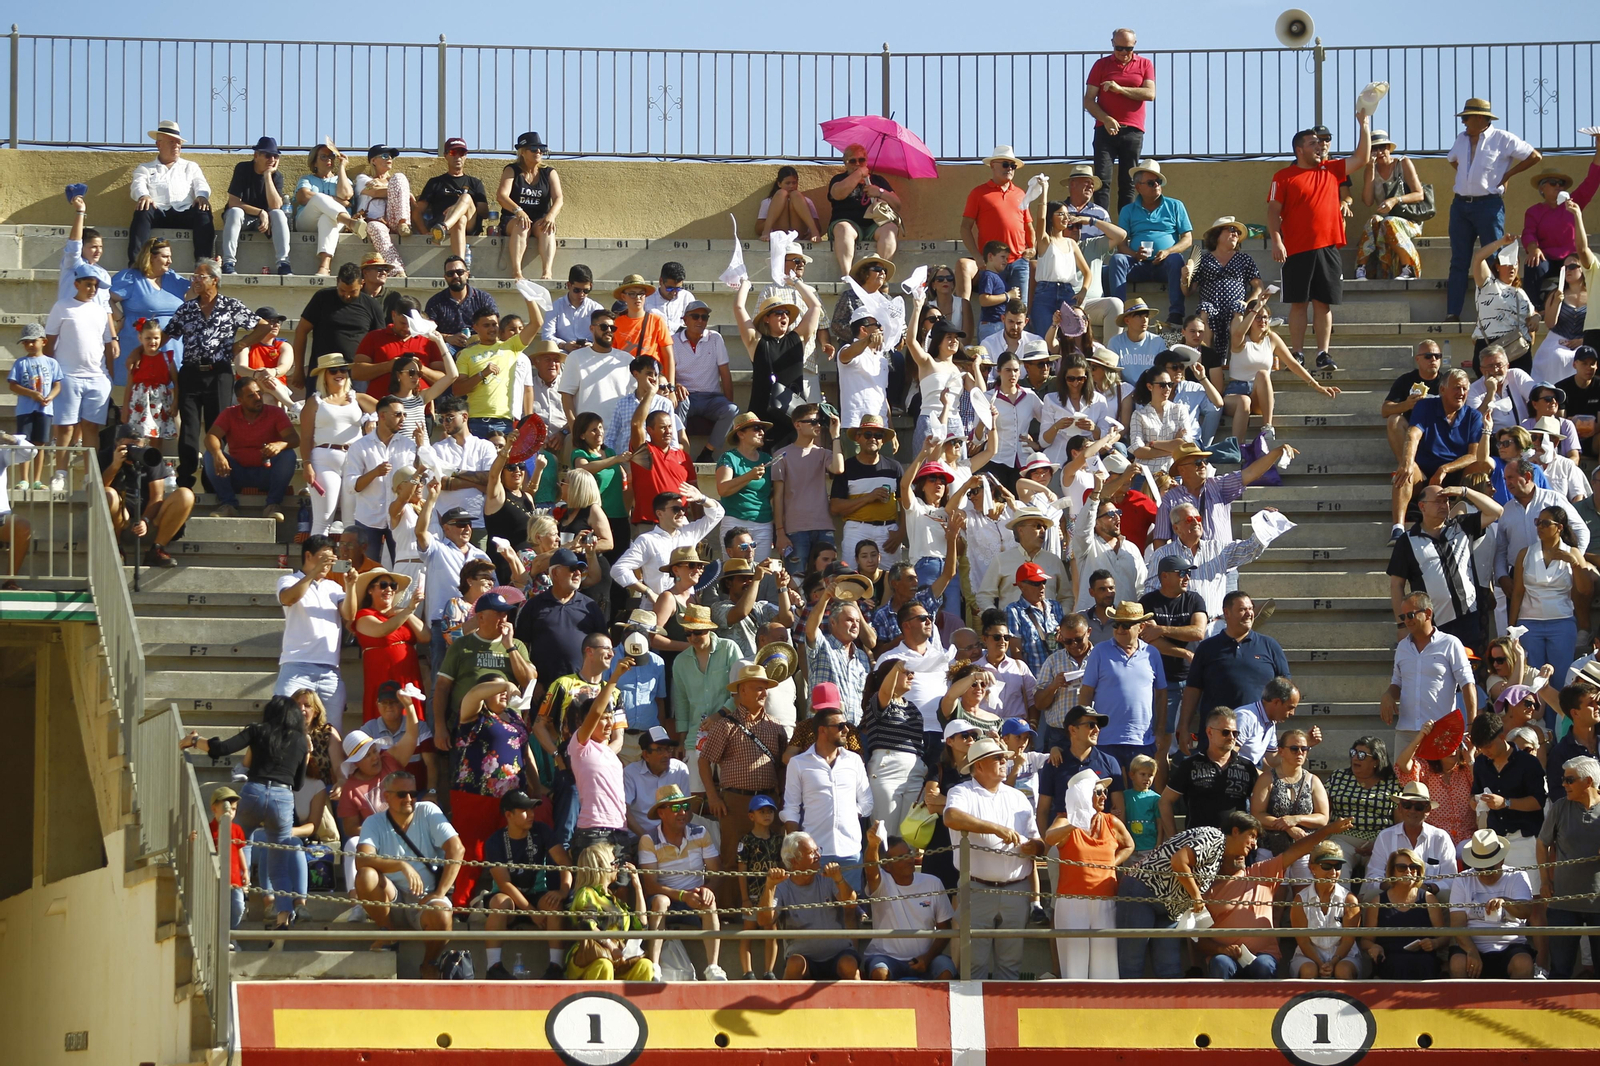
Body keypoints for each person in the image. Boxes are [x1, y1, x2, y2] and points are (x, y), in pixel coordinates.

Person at [179, 695, 308, 929]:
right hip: (282, 797)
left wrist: (195, 740)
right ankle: (283, 918)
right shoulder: (301, 740)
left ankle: (242, 891)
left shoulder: (258, 731)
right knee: (279, 866)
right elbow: (298, 783)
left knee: (240, 840)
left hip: (255, 791)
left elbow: (222, 748)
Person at [1268, 117, 1372, 371]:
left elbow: (1361, 158)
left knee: (1323, 304)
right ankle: (1297, 353)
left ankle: (1323, 354)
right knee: (1298, 303)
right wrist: (1277, 240)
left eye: (1321, 142)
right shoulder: (1283, 176)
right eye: (1313, 142)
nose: (1320, 146)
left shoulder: (1332, 170)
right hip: (1296, 248)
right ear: (1299, 149)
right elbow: (1273, 211)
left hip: (1327, 248)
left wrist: (1363, 125)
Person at [943, 736, 1045, 979]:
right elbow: (951, 817)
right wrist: (995, 828)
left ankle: (1005, 1014)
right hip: (977, 889)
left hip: (1016, 889)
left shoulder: (1017, 796)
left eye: (1004, 758)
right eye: (997, 758)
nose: (1004, 761)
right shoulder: (962, 792)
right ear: (978, 766)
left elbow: (1038, 839)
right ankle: (970, 1015)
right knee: (973, 965)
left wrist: (1036, 848)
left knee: (1011, 964)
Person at [351, 772, 463, 976]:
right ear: (387, 797)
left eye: (413, 793)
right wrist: (401, 865)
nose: (409, 799)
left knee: (442, 915)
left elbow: (457, 849)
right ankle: (389, 932)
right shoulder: (373, 822)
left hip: (426, 899)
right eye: (402, 794)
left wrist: (439, 893)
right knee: (366, 875)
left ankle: (429, 963)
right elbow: (362, 860)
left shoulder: (428, 811)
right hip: (391, 898)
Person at [1445, 98, 1542, 323]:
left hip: (1488, 205)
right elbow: (1453, 160)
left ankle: (1497, 311)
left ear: (1480, 117)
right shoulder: (1461, 139)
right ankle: (1453, 312)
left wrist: (1507, 175)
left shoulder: (1503, 139)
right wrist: (1468, 176)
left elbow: (1534, 156)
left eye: (1467, 118)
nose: (1464, 122)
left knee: (1495, 259)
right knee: (1459, 260)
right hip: (1460, 205)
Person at [700, 663, 789, 908]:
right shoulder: (725, 726)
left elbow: (782, 766)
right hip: (735, 802)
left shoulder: (776, 727)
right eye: (758, 688)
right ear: (741, 691)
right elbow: (704, 761)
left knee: (773, 854)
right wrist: (713, 797)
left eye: (765, 688)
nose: (763, 693)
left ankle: (773, 907)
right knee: (732, 855)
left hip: (769, 799)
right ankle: (731, 909)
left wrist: (782, 796)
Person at [1046, 767, 1135, 979]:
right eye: (1098, 792)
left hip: (1105, 899)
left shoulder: (1111, 821)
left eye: (1104, 792)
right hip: (1071, 901)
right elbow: (1050, 838)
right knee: (1074, 967)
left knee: (1106, 967)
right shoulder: (1065, 820)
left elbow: (1129, 845)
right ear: (1084, 794)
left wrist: (1112, 863)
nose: (1104, 796)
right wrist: (1075, 823)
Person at [479, 789, 571, 981]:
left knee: (554, 904)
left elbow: (565, 862)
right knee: (499, 903)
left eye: (532, 809)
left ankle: (556, 967)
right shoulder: (495, 841)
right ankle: (493, 967)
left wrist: (563, 890)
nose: (531, 814)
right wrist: (531, 911)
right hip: (509, 898)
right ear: (508, 815)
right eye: (524, 810)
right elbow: (504, 884)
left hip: (537, 893)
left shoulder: (542, 830)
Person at [1390, 368, 1489, 546]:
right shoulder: (1425, 406)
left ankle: (1476, 517)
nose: (1461, 393)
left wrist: (1445, 469)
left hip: (1456, 475)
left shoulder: (1473, 416)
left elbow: (1473, 455)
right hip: (1425, 474)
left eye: (1465, 389)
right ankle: (1398, 528)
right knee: (1406, 470)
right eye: (1456, 388)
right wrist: (1406, 462)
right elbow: (1413, 434)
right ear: (1442, 389)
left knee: (1484, 464)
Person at [1180, 593, 1290, 753]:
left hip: (1255, 739)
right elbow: (1193, 690)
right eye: (1242, 609)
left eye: (1251, 609)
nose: (1249, 613)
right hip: (1216, 737)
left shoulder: (1269, 646)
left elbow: (1285, 686)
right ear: (1226, 613)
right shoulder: (1207, 648)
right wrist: (1184, 728)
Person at [637, 784, 727, 980]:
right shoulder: (648, 840)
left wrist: (707, 890)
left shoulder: (701, 832)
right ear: (661, 813)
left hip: (695, 897)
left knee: (709, 901)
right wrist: (682, 896)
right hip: (667, 900)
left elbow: (717, 873)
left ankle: (713, 967)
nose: (683, 812)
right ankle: (654, 966)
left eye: (686, 806)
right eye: (676, 808)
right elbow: (650, 886)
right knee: (659, 901)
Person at [1222, 297, 1341, 443]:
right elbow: (1238, 334)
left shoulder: (1271, 338)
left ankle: (1267, 427)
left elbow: (1293, 364)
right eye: (1257, 317)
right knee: (1244, 401)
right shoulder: (1240, 340)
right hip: (1236, 393)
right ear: (1250, 318)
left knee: (1263, 374)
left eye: (1265, 317)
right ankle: (1237, 448)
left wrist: (1316, 385)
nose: (1262, 321)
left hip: (1259, 394)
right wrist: (1256, 307)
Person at [757, 831, 861, 980]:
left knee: (849, 965)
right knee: (794, 964)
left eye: (818, 850)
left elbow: (851, 904)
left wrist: (839, 879)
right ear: (794, 861)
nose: (818, 855)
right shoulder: (781, 886)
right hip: (803, 958)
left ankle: (861, 1004)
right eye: (812, 853)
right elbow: (764, 921)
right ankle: (783, 1003)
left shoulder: (827, 877)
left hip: (838, 954)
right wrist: (769, 887)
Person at [1383, 591, 1478, 752]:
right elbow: (1397, 683)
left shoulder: (1450, 643)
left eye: (1410, 615)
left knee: (1441, 778)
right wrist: (1388, 695)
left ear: (1427, 613)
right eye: (1403, 617)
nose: (1406, 620)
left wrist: (1472, 725)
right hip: (1406, 732)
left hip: (1440, 730)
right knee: (1405, 778)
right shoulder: (1402, 647)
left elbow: (1468, 684)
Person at [43, 265, 114, 480]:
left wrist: (108, 376)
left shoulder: (101, 312)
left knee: (91, 427)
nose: (92, 289)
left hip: (96, 377)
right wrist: (53, 375)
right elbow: (49, 343)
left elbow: (107, 345)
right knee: (65, 428)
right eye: (88, 285)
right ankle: (60, 474)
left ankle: (89, 476)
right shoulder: (62, 307)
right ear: (77, 284)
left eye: (95, 286)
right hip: (68, 376)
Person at [1511, 504, 1595, 684]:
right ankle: (1537, 713)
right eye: (1537, 522)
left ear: (1559, 527)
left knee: (1560, 678)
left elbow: (1585, 589)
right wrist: (1511, 628)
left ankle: (1556, 714)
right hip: (1529, 623)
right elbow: (1518, 592)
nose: (1539, 527)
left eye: (1545, 523)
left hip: (1562, 622)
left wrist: (1574, 563)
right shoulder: (1525, 553)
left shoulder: (1572, 552)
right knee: (1532, 679)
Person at [734, 280, 824, 448]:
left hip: (792, 413)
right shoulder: (757, 341)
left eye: (786, 313)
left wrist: (796, 283)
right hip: (763, 414)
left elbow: (815, 307)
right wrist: (745, 284)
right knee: (764, 465)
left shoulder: (798, 338)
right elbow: (739, 307)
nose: (784, 316)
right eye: (778, 313)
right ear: (766, 319)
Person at [860, 824, 956, 982]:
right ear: (886, 866)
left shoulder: (933, 882)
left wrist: (927, 958)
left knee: (946, 970)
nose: (910, 860)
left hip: (927, 959)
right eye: (902, 857)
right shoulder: (882, 882)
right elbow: (871, 869)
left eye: (909, 853)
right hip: (886, 958)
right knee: (880, 974)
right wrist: (873, 845)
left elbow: (944, 930)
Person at [1105, 161, 1191, 329]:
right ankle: (1120, 313)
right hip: (1138, 264)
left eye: (1159, 182)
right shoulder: (1128, 210)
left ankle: (1176, 315)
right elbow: (1120, 244)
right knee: (1118, 259)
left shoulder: (1175, 205)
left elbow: (1187, 239)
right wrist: (1134, 254)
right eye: (1151, 183)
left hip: (1166, 265)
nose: (1157, 185)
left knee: (1176, 259)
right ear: (1138, 187)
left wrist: (1167, 251)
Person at [1472, 710, 1549, 890]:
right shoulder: (1481, 764)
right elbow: (1474, 793)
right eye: (1481, 748)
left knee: (1533, 903)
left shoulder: (1529, 763)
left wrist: (1506, 803)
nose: (1485, 751)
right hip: (1495, 843)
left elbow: (1539, 801)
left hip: (1525, 840)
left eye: (1488, 746)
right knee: (1499, 902)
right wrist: (1475, 802)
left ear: (1502, 736)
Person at [1538, 755, 1600, 977]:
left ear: (1588, 781)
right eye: (1563, 779)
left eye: (1569, 779)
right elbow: (1542, 843)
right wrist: (1545, 880)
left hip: (1598, 904)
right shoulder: (1559, 807)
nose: (1563, 784)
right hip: (1563, 902)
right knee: (1561, 970)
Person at [610, 486, 725, 602]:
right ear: (660, 513)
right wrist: (648, 592)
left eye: (683, 509)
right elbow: (618, 569)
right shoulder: (647, 540)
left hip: (686, 605)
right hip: (656, 606)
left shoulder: (690, 532)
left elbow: (718, 513)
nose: (681, 513)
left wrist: (702, 498)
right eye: (675, 509)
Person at [1084, 29, 1156, 212]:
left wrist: (1120, 89)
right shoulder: (1101, 65)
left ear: (1135, 45)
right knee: (1102, 180)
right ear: (1112, 44)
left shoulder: (1145, 64)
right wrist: (1106, 119)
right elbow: (1088, 100)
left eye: (1128, 48)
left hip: (1133, 131)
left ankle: (1125, 229)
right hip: (1105, 130)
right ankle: (1100, 226)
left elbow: (1150, 93)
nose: (1124, 53)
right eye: (1119, 48)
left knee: (1129, 183)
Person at [1449, 828, 1537, 979]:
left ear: (1501, 861)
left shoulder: (1517, 876)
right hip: (1472, 945)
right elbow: (1457, 924)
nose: (1484, 871)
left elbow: (1526, 912)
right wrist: (1472, 951)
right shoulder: (1462, 879)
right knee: (1458, 963)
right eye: (1478, 866)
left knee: (1523, 963)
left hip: (1511, 946)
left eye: (1489, 866)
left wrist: (1506, 902)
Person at [343, 567, 427, 722]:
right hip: (382, 676)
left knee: (413, 725)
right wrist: (408, 610)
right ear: (370, 590)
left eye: (392, 586)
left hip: (408, 676)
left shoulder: (401, 614)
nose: (389, 589)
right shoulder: (364, 615)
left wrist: (404, 611)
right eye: (383, 585)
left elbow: (425, 636)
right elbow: (382, 630)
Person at [127, 120, 214, 266]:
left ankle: (203, 264)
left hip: (184, 211)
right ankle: (136, 264)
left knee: (203, 210)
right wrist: (144, 195)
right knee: (142, 209)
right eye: (171, 142)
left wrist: (201, 196)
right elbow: (137, 185)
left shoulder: (190, 166)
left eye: (178, 143)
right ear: (159, 144)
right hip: (157, 212)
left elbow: (201, 183)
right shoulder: (145, 168)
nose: (176, 146)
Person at [109, 238, 190, 390]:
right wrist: (119, 317)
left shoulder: (173, 278)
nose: (170, 261)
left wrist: (212, 269)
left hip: (172, 350)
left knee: (171, 401)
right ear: (151, 257)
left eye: (170, 256)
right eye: (165, 257)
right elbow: (104, 298)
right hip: (139, 349)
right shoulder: (131, 278)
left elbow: (196, 294)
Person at [1162, 706, 1259, 834]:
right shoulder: (1190, 765)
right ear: (1210, 732)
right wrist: (1174, 840)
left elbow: (1259, 807)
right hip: (1198, 845)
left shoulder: (1247, 767)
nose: (1231, 737)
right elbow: (1165, 801)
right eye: (1225, 732)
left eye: (1235, 733)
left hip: (1235, 845)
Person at [290, 262, 384, 390]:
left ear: (362, 283)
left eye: (353, 291)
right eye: (342, 290)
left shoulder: (372, 305)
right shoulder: (322, 298)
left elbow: (379, 341)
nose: (347, 295)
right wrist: (298, 370)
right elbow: (301, 331)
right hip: (323, 371)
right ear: (337, 281)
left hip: (357, 374)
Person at [1364, 781, 1460, 903]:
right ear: (1400, 808)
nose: (1412, 810)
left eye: (1419, 807)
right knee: (1371, 895)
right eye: (1407, 805)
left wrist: (1426, 888)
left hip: (1429, 895)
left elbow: (1451, 879)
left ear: (1428, 810)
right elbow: (1373, 876)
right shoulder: (1385, 836)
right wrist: (1397, 887)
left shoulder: (1441, 838)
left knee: (1447, 895)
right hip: (1392, 892)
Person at [1361, 847, 1449, 979]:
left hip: (1423, 959)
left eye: (1413, 867)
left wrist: (1434, 943)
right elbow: (1365, 940)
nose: (1408, 871)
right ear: (1392, 871)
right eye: (1402, 867)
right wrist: (1374, 947)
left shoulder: (1429, 898)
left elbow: (1443, 936)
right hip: (1390, 960)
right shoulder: (1378, 901)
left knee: (1426, 963)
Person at [962, 147, 1034, 303]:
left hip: (1019, 262)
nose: (1009, 169)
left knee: (1020, 310)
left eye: (1013, 166)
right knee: (994, 309)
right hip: (993, 263)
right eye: (1005, 164)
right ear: (993, 165)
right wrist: (977, 256)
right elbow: (965, 227)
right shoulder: (978, 193)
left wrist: (1032, 248)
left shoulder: (1021, 194)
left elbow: (1028, 225)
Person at [1183, 215, 1263, 351]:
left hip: (1235, 306)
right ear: (1217, 234)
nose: (1235, 234)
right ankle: (1206, 357)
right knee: (1205, 308)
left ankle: (1236, 355)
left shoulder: (1244, 259)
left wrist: (1248, 303)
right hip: (1210, 306)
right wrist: (1184, 279)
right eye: (1231, 229)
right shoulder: (1204, 259)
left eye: (1237, 232)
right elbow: (1188, 292)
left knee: (1238, 308)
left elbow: (1258, 287)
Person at [1356, 130, 1428, 280]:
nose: (1379, 152)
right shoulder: (1371, 170)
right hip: (1384, 221)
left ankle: (1408, 268)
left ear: (1389, 148)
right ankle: (1361, 269)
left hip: (1408, 219)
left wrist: (1395, 200)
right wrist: (1370, 169)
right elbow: (1368, 201)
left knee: (1390, 222)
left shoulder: (1402, 163)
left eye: (1383, 147)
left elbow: (1419, 194)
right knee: (1373, 221)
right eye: (1374, 149)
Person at [674, 300, 739, 458]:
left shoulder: (715, 338)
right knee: (679, 402)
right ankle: (677, 451)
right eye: (695, 316)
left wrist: (729, 401)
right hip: (687, 396)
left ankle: (707, 452)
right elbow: (666, 371)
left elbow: (725, 372)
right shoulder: (673, 340)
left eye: (705, 317)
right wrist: (675, 385)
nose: (700, 321)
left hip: (712, 398)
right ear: (685, 319)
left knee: (732, 410)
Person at [291, 141, 366, 276]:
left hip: (334, 222)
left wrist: (342, 167)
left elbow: (347, 194)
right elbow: (303, 197)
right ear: (314, 162)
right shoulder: (307, 179)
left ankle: (324, 267)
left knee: (327, 217)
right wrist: (338, 201)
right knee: (318, 198)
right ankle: (351, 223)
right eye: (323, 157)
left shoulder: (341, 179)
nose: (329, 159)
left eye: (331, 156)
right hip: (307, 221)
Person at [497, 131, 563, 281]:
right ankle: (517, 272)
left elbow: (559, 198)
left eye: (541, 149)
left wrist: (551, 215)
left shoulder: (549, 172)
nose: (538, 152)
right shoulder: (512, 170)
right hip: (514, 218)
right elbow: (502, 196)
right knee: (522, 225)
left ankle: (547, 272)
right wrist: (518, 211)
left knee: (547, 228)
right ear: (523, 152)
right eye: (534, 149)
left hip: (539, 218)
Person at [826, 144, 901, 277]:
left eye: (861, 160)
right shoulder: (839, 179)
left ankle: (880, 274)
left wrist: (879, 192)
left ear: (866, 161)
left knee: (890, 229)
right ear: (845, 163)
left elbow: (897, 204)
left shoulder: (877, 180)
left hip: (874, 224)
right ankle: (847, 276)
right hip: (848, 222)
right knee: (843, 228)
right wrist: (859, 173)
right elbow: (838, 194)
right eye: (852, 161)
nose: (857, 164)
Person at [221, 135, 290, 275]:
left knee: (278, 214)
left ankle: (283, 263)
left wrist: (267, 176)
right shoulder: (243, 168)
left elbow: (276, 205)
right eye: (267, 155)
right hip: (243, 218)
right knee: (235, 212)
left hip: (265, 223)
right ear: (256, 155)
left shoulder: (277, 176)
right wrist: (260, 212)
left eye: (275, 156)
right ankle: (228, 263)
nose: (272, 160)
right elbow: (233, 202)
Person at [1326, 735, 1398, 871]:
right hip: (1343, 838)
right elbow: (1324, 810)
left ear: (1376, 761)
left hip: (1379, 841)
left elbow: (1400, 820)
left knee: (1377, 880)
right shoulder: (1339, 777)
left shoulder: (1392, 782)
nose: (1355, 758)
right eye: (1353, 753)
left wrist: (1382, 844)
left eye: (1361, 755)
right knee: (1336, 872)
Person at [1470, 233, 1540, 371]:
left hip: (1518, 352)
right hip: (1489, 347)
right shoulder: (1487, 283)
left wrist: (1537, 317)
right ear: (1497, 266)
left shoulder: (1521, 292)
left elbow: (1532, 314)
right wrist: (1501, 242)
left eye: (1515, 263)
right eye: (1507, 263)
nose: (1512, 267)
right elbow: (1478, 257)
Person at [418, 138, 490, 261]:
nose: (457, 157)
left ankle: (444, 227)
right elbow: (418, 211)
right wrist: (424, 232)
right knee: (460, 219)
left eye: (461, 153)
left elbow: (484, 213)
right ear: (445, 155)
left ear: (466, 156)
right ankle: (461, 262)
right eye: (453, 153)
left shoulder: (474, 183)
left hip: (469, 224)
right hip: (449, 222)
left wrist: (457, 207)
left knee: (466, 197)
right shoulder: (435, 182)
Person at [7, 323, 59, 491]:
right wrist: (32, 394)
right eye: (26, 342)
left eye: (33, 341)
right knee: (24, 443)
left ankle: (36, 479)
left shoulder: (51, 363)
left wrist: (50, 396)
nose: (29, 345)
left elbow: (58, 384)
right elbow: (13, 386)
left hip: (45, 410)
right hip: (25, 409)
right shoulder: (20, 363)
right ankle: (24, 479)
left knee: (40, 444)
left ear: (43, 342)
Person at [1381, 341, 1446, 459]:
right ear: (1417, 359)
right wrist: (1407, 405)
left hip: (1440, 431)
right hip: (1412, 432)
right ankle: (1406, 467)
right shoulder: (1406, 380)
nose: (1433, 359)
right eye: (1428, 356)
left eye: (1437, 356)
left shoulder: (1447, 381)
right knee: (1393, 420)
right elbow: (1385, 410)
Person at [758, 165, 822, 242]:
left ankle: (814, 233)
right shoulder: (768, 202)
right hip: (779, 233)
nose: (791, 186)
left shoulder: (806, 201)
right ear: (779, 184)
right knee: (781, 193)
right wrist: (773, 218)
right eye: (787, 183)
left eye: (794, 183)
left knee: (796, 195)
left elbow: (818, 226)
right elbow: (758, 229)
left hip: (798, 234)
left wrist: (812, 232)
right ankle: (766, 232)